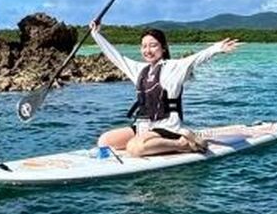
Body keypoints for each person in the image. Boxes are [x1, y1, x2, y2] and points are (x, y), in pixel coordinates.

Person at [90, 21, 240, 157]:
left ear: (163, 48)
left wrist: (216, 48)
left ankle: (183, 144)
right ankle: (150, 144)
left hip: (168, 127)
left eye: (153, 45)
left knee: (134, 148)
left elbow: (196, 58)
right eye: (144, 46)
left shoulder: (175, 67)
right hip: (143, 126)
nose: (148, 50)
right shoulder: (139, 69)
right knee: (104, 141)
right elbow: (115, 57)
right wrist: (96, 34)